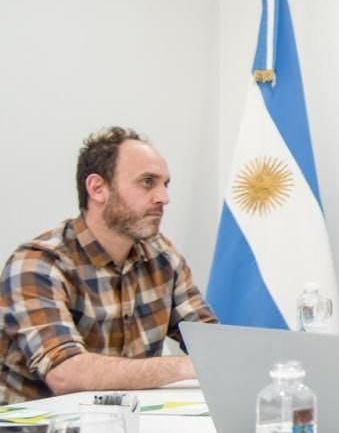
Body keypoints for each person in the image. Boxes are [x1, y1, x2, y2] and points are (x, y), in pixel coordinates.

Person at [0, 127, 218, 405]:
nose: (164, 197)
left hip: (126, 427)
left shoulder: (163, 257)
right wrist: (184, 367)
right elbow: (65, 373)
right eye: (148, 182)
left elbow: (211, 346)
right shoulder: (38, 264)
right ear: (97, 189)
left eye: (166, 184)